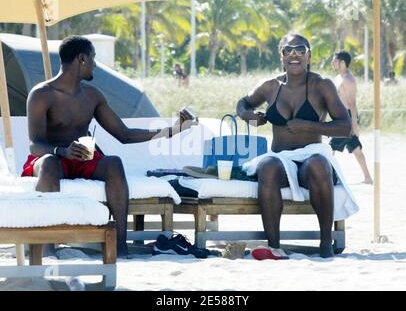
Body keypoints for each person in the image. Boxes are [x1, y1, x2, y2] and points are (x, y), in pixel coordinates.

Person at [22, 36, 197, 258]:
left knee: (114, 163)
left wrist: (173, 130)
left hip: (82, 160)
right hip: (50, 158)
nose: (95, 64)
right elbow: (34, 144)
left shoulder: (92, 96)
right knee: (48, 164)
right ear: (81, 59)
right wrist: (62, 151)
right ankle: (47, 248)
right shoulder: (41, 94)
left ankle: (119, 247)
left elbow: (124, 135)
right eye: (93, 58)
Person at [236, 33, 352, 258]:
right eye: (288, 51)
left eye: (300, 50)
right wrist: (248, 115)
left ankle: (326, 244)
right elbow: (242, 103)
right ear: (281, 56)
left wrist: (309, 126)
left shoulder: (322, 85)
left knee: (319, 164)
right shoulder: (270, 86)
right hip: (281, 159)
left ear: (309, 56)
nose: (294, 55)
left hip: (311, 156)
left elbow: (345, 127)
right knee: (267, 165)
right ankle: (274, 247)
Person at [330, 51, 373, 184]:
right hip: (341, 116)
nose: (332, 63)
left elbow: (352, 103)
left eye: (335, 60)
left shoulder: (349, 80)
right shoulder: (340, 77)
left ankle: (327, 175)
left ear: (343, 63)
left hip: (347, 118)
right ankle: (368, 177)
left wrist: (354, 124)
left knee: (331, 148)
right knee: (355, 148)